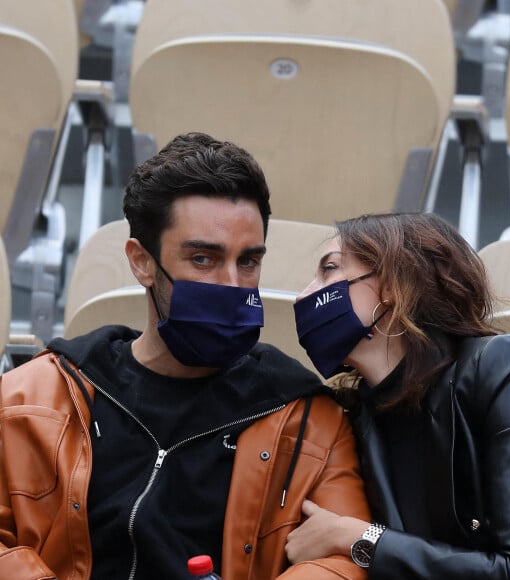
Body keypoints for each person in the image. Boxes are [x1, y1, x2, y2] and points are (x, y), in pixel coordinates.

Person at [0, 132, 370, 580]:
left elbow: (338, 564)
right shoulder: (35, 396)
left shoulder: (308, 419)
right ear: (142, 262)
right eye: (202, 259)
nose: (233, 284)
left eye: (248, 261)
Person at [288, 211, 510, 578]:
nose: (304, 295)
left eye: (329, 270)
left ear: (394, 287)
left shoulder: (503, 367)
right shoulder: (352, 413)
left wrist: (359, 538)